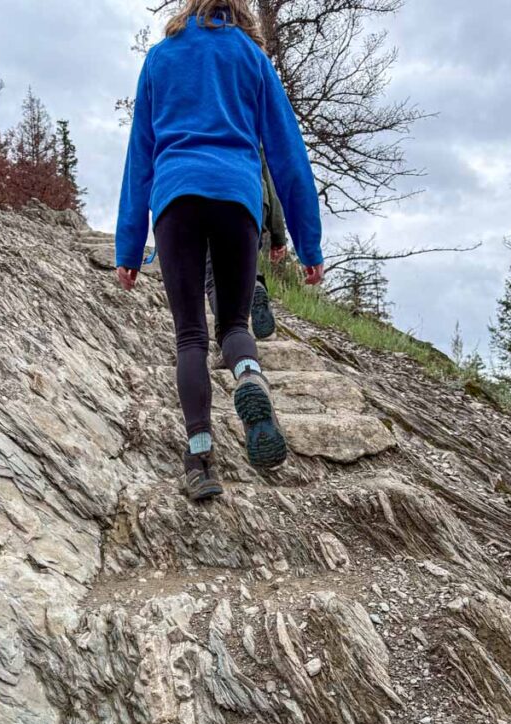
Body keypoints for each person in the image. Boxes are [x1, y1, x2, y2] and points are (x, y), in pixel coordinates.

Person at [115, 0, 324, 502]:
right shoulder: (250, 57)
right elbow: (287, 151)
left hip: (175, 198)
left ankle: (200, 458)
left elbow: (139, 154)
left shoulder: (160, 58)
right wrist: (306, 238)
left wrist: (129, 245)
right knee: (233, 324)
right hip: (236, 197)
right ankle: (249, 376)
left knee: (190, 335)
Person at [206, 153, 287, 349]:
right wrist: (278, 235)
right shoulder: (252, 126)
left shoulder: (196, 124)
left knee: (214, 274)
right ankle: (255, 284)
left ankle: (230, 339)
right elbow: (270, 181)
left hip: (210, 192)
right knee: (243, 262)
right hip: (254, 197)